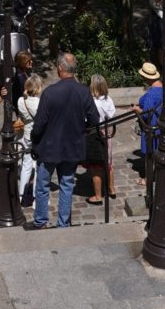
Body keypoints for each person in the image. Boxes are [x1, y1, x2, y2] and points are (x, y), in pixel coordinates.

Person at [28, 52, 98, 230]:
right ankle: (63, 223)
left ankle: (41, 221)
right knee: (66, 185)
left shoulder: (50, 93)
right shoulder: (83, 92)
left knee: (43, 186)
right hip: (72, 147)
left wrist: (34, 142)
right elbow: (94, 120)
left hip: (49, 148)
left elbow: (39, 125)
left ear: (59, 68)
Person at [81, 73, 117, 205]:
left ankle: (98, 195)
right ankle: (111, 188)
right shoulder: (108, 99)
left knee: (96, 166)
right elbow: (112, 114)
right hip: (107, 132)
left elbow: (86, 118)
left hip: (95, 133)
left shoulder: (92, 102)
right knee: (108, 161)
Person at [15, 71, 43, 208]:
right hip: (38, 137)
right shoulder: (40, 103)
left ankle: (21, 195)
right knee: (38, 167)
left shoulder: (21, 101)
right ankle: (35, 197)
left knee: (26, 165)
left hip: (26, 135)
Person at [135, 61, 163, 170]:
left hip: (151, 127)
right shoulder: (162, 88)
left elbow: (146, 114)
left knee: (150, 153)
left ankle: (148, 179)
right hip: (160, 125)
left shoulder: (151, 94)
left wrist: (137, 109)